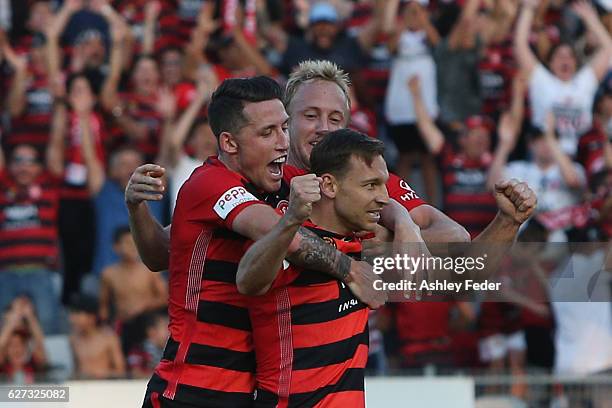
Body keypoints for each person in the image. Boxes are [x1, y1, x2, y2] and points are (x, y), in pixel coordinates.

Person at [238, 129, 537, 406]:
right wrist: (291, 223)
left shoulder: (369, 247)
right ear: (329, 185)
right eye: (370, 185)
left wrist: (508, 222)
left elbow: (465, 275)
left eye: (383, 184)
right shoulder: (290, 240)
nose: (384, 197)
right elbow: (248, 281)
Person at [141, 76, 384, 408]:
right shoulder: (210, 184)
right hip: (191, 391)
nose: (283, 142)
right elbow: (290, 240)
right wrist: (351, 271)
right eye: (267, 133)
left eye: (284, 128)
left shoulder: (279, 180)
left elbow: (370, 186)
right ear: (229, 143)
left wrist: (405, 222)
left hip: (249, 391)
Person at [515, 0, 612, 156]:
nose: (565, 61)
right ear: (550, 63)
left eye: (569, 57)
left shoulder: (584, 81)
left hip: (581, 153)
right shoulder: (541, 80)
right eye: (560, 57)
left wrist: (591, 19)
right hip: (545, 154)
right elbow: (520, 45)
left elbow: (608, 48)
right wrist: (528, 9)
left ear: (576, 63)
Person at [98, 226, 167, 353]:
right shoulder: (109, 274)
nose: (132, 247)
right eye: (128, 243)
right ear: (116, 247)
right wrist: (105, 326)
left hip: (147, 323)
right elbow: (104, 305)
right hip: (122, 325)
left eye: (135, 242)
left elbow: (165, 298)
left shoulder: (149, 270)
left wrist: (144, 306)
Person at [68, 294, 126, 379]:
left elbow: (121, 370)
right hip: (82, 387)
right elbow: (76, 368)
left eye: (77, 314)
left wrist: (103, 374)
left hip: (106, 386)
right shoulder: (73, 339)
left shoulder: (109, 338)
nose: (72, 319)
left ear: (91, 317)